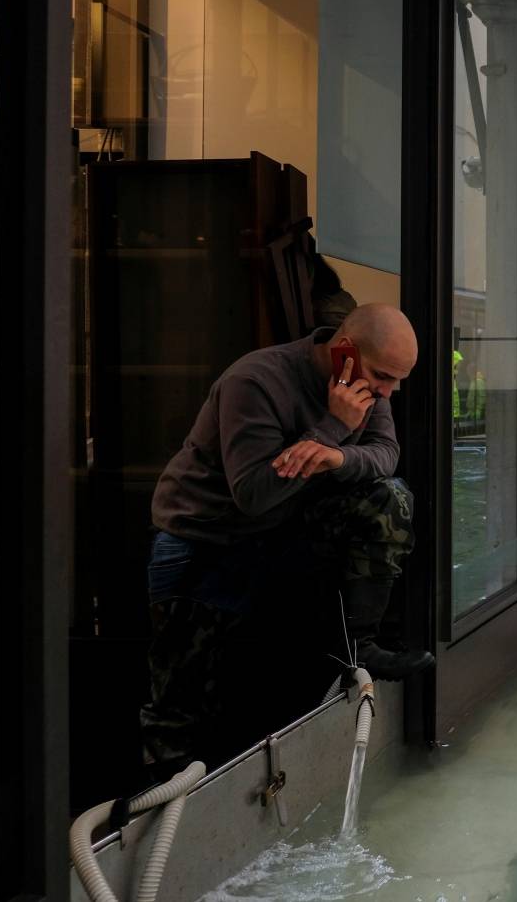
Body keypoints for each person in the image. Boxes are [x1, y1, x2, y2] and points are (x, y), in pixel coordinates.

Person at [142, 304, 433, 774]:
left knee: (389, 497)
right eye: (382, 376)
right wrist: (334, 428)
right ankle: (163, 820)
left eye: (396, 381)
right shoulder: (256, 381)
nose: (387, 392)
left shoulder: (369, 391)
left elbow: (386, 454)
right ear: (344, 352)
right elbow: (254, 494)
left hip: (282, 532)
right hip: (204, 539)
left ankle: (360, 643)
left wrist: (334, 458)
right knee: (181, 702)